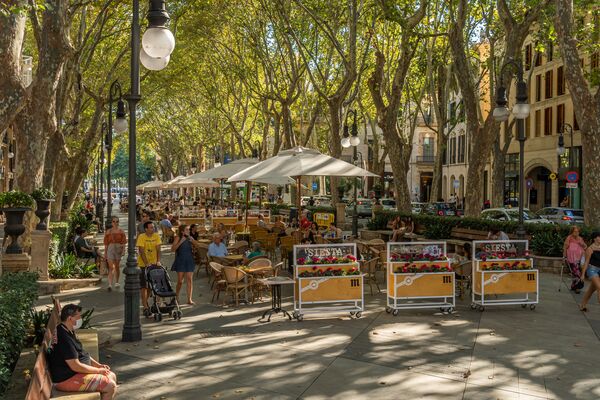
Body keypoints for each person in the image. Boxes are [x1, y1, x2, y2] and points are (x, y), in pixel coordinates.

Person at [48, 304, 117, 400]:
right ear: (70, 318)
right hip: (66, 379)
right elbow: (75, 366)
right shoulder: (64, 338)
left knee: (111, 375)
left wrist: (98, 365)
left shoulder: (68, 330)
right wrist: (98, 371)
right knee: (109, 385)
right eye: (78, 316)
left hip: (76, 373)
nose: (80, 318)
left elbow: (83, 353)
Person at [136, 221, 162, 314]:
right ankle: (145, 305)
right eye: (151, 227)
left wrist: (158, 261)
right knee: (144, 286)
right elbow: (141, 251)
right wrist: (146, 263)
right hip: (143, 265)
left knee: (151, 285)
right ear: (146, 229)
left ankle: (145, 301)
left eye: (153, 227)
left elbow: (158, 249)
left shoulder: (156, 236)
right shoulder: (142, 237)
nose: (153, 229)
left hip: (154, 264)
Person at [171, 224, 198, 305]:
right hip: (180, 260)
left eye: (189, 230)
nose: (188, 231)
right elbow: (172, 249)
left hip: (189, 259)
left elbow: (197, 245)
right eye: (187, 229)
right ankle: (176, 296)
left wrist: (192, 240)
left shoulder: (190, 237)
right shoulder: (178, 237)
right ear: (182, 231)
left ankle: (189, 299)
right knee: (180, 281)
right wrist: (181, 242)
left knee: (189, 279)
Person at [103, 217, 126, 291]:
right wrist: (105, 253)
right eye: (114, 221)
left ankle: (116, 281)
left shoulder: (121, 231)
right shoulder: (108, 232)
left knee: (117, 266)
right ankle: (109, 284)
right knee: (111, 267)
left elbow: (123, 242)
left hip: (118, 248)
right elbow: (106, 244)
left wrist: (123, 251)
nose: (115, 223)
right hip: (110, 248)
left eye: (117, 221)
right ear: (112, 223)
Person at [579, 231, 600, 312]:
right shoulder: (590, 249)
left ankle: (583, 305)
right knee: (599, 287)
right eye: (599, 236)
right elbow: (586, 262)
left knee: (591, 290)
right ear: (595, 238)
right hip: (592, 270)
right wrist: (583, 274)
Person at [563, 226, 587, 293]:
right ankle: (578, 287)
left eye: (578, 231)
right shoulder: (569, 238)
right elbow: (565, 247)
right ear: (572, 232)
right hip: (571, 258)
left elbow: (585, 247)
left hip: (579, 258)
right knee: (576, 272)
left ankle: (574, 286)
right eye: (575, 231)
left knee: (575, 272)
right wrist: (564, 257)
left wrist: (582, 244)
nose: (577, 233)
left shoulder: (580, 238)